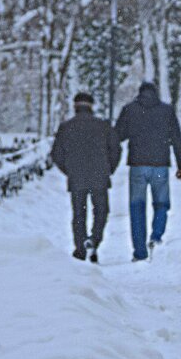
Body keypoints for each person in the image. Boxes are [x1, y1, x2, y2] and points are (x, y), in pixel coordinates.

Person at [114, 82, 181, 262]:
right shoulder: (167, 111)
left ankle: (139, 252)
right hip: (160, 164)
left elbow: (117, 136)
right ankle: (156, 236)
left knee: (137, 207)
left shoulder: (129, 110)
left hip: (138, 164)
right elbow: (177, 138)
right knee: (161, 203)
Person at [50, 92, 121, 263]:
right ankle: (94, 240)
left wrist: (69, 170)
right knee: (101, 211)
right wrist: (108, 169)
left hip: (77, 177)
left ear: (75, 106)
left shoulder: (66, 127)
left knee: (79, 213)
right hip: (100, 176)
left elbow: (56, 154)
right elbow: (116, 150)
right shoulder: (103, 126)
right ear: (91, 106)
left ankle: (80, 247)